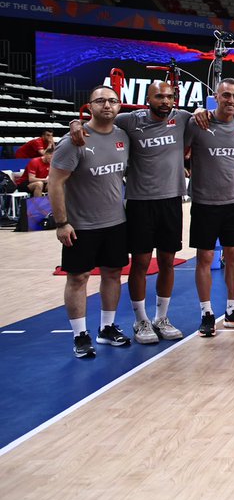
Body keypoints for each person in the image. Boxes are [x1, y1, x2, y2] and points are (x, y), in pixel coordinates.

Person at [70, 79, 190, 345]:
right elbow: (98, 122)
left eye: (169, 97)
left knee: (168, 261)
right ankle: (140, 319)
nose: (165, 102)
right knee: (141, 263)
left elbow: (219, 115)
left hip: (171, 201)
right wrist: (75, 123)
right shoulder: (129, 121)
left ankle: (161, 317)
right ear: (148, 99)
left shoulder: (183, 118)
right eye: (159, 97)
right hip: (139, 202)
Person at [47, 85, 131, 358]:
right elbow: (55, 182)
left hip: (116, 221)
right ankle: (80, 335)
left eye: (112, 101)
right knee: (78, 278)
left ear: (119, 106)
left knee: (112, 274)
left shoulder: (123, 136)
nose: (107, 105)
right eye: (101, 101)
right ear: (89, 106)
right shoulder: (74, 140)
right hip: (81, 225)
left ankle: (106, 328)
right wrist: (61, 223)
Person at [185, 77, 234, 338]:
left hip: (233, 201)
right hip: (204, 202)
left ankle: (233, 309)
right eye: (226, 96)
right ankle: (207, 313)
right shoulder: (197, 123)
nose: (231, 100)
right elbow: (178, 146)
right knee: (206, 258)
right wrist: (198, 111)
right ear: (216, 97)